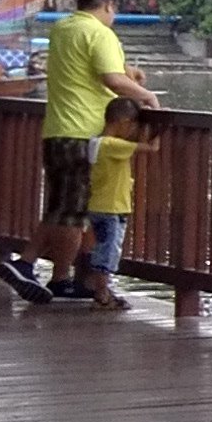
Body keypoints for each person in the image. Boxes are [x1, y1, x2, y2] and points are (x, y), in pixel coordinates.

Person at [0, 0, 160, 304]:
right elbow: (111, 79)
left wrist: (129, 72)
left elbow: (94, 67)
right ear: (109, 5)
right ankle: (25, 264)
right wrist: (147, 97)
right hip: (82, 131)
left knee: (64, 205)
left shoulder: (63, 29)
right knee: (72, 210)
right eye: (114, 12)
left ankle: (59, 278)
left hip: (56, 128)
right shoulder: (101, 33)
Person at [68, 98, 160, 311]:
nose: (133, 129)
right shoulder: (113, 145)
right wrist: (158, 122)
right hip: (112, 207)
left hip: (97, 204)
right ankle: (101, 293)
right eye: (133, 124)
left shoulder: (96, 142)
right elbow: (152, 147)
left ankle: (101, 289)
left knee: (102, 246)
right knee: (108, 250)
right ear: (123, 121)